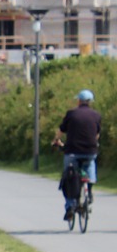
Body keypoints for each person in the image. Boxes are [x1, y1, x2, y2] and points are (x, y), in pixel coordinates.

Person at [52, 89, 101, 219]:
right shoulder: (96, 115)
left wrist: (56, 140)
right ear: (90, 102)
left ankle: (70, 207)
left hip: (72, 151)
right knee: (90, 165)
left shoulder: (71, 114)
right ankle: (89, 191)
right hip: (90, 151)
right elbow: (97, 134)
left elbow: (61, 130)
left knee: (69, 177)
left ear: (79, 101)